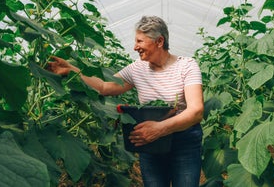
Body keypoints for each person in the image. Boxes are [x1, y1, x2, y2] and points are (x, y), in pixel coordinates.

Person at [48, 15, 204, 187]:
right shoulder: (137, 68)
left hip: (183, 141)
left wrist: (159, 129)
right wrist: (72, 70)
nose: (135, 47)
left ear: (159, 41)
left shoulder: (187, 66)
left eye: (140, 41)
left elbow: (196, 111)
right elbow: (105, 87)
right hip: (149, 142)